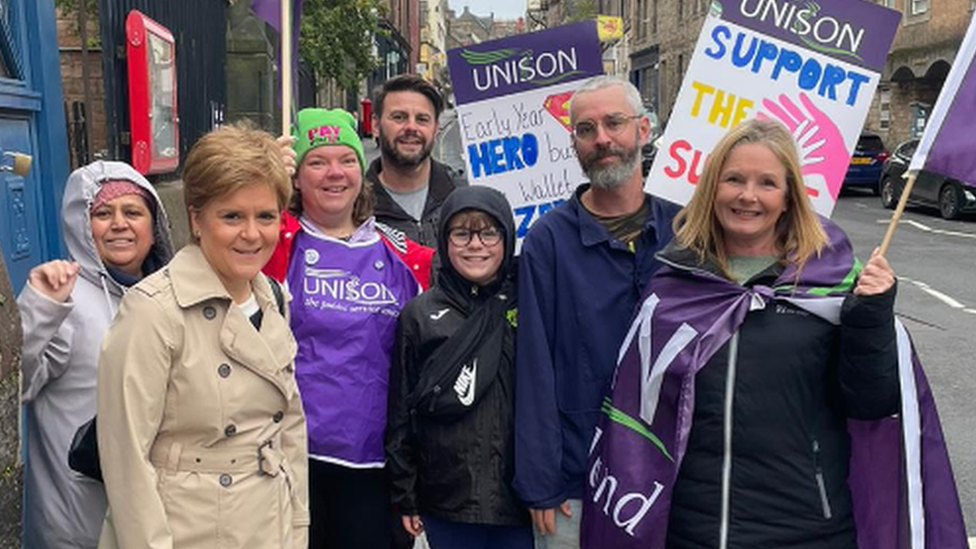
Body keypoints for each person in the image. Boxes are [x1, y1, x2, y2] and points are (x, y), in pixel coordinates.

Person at [582, 119, 966, 549]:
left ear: (788, 198)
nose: (748, 195)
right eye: (734, 179)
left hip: (807, 531)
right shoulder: (674, 285)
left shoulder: (834, 284)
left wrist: (871, 317)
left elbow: (870, 404)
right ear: (713, 189)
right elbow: (636, 416)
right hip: (693, 531)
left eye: (767, 183)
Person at [96, 124, 308, 549]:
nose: (252, 234)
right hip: (188, 531)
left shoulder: (273, 298)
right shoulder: (153, 310)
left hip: (269, 524)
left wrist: (298, 527)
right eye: (232, 216)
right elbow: (125, 462)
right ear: (196, 218)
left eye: (265, 216)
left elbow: (290, 429)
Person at [513, 75, 681, 547]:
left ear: (643, 130)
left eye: (614, 123)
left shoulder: (684, 231)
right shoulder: (549, 239)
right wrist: (540, 483)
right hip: (579, 484)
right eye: (586, 129)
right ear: (574, 144)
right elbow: (535, 365)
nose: (602, 138)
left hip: (672, 479)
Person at [266, 107, 421, 549]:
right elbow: (219, 233)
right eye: (317, 162)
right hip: (291, 458)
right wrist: (263, 180)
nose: (334, 173)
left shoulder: (404, 256)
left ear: (362, 170)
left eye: (346, 160)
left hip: (374, 464)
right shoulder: (275, 241)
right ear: (297, 177)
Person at [17, 161, 174, 549]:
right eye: (103, 213)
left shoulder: (173, 298)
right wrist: (38, 307)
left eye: (133, 212)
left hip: (157, 514)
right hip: (78, 523)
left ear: (153, 229)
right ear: (81, 227)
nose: (119, 224)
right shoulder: (62, 298)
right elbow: (16, 383)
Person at [386, 186, 531, 549]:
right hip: (446, 500)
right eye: (462, 232)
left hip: (518, 499)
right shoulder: (419, 315)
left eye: (488, 231)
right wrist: (406, 493)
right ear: (444, 239)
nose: (475, 244)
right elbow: (401, 412)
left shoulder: (531, 302)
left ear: (507, 236)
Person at [367, 73, 466, 248]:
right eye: (399, 117)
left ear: (436, 128)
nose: (411, 127)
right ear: (375, 125)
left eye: (422, 119)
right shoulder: (355, 208)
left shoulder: (463, 196)